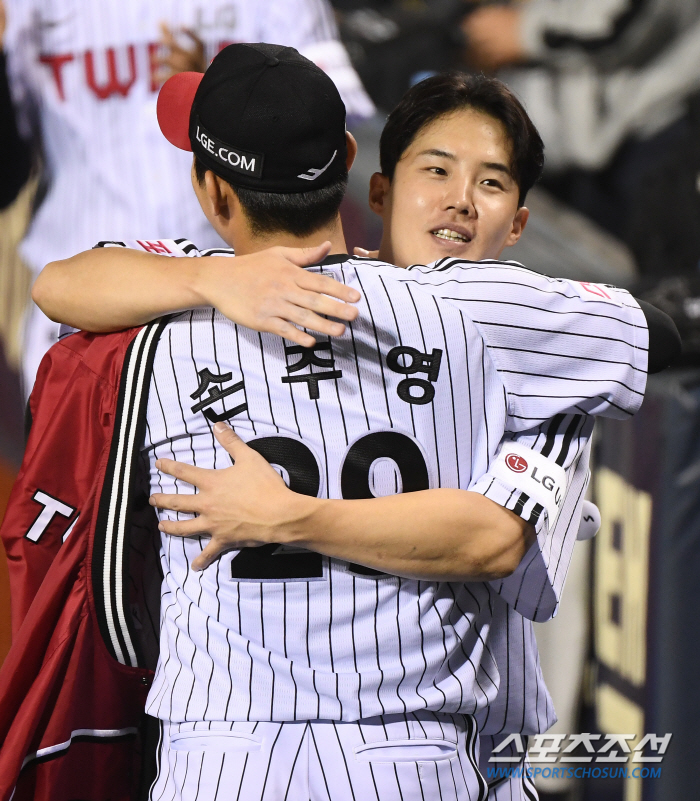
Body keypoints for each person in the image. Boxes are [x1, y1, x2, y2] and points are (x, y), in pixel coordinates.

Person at [23, 47, 656, 801]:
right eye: (437, 171)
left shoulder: (156, 327)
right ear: (362, 172)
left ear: (212, 191)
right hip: (414, 749)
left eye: (488, 182)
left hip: (225, 755)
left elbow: (57, 286)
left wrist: (291, 514)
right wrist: (218, 276)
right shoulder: (498, 321)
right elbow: (653, 329)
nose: (458, 201)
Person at [1, 0, 374, 398]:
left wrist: (228, 93)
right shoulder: (28, 6)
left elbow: (328, 117)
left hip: (251, 297)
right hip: (80, 306)